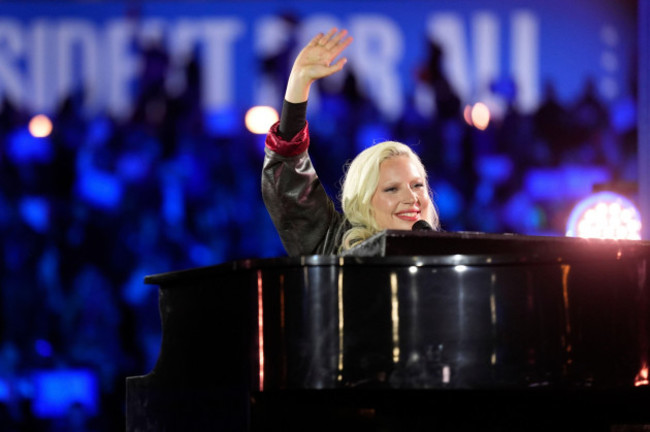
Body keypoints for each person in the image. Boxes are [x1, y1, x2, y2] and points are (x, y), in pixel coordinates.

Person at [262, 28, 440, 256]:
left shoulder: (452, 259)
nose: (411, 197)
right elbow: (288, 176)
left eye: (418, 185)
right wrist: (298, 83)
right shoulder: (338, 248)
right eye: (391, 188)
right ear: (362, 202)